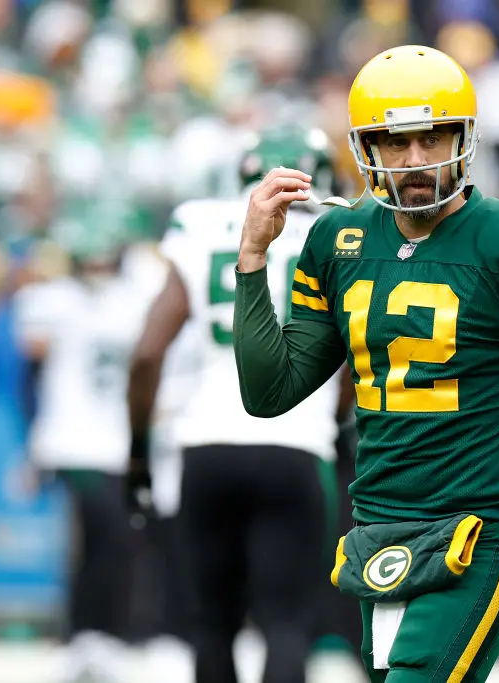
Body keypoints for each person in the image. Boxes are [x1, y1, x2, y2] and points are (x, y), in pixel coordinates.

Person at [231, 44, 499, 682]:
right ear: (365, 147)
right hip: (378, 528)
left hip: (480, 528)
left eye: (432, 139)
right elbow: (270, 390)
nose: (416, 161)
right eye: (396, 143)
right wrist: (253, 259)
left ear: (464, 137)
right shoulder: (339, 240)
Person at [126, 123, 348, 683]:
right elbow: (352, 353)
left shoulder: (201, 223)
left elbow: (148, 353)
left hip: (206, 445)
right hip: (296, 444)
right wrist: (338, 419)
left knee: (212, 623)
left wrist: (136, 453)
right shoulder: (339, 230)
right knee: (287, 623)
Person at [14, 217, 161, 683]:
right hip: (76, 443)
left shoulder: (133, 295)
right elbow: (31, 351)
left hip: (120, 442)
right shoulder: (53, 301)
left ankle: (99, 636)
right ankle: (84, 636)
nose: (97, 266)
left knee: (118, 546)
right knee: (100, 542)